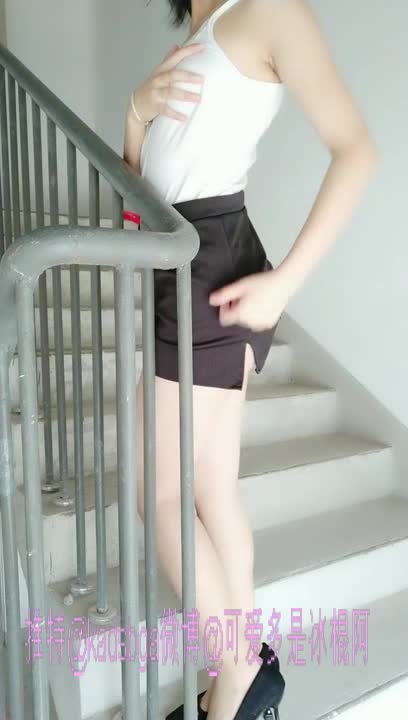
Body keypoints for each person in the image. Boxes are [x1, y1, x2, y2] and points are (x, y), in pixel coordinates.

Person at [123, 1, 378, 719]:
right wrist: (134, 117)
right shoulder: (200, 33)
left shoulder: (267, 9)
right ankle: (242, 668)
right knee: (209, 486)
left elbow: (357, 149)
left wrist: (287, 282)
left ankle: (235, 674)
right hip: (183, 255)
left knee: (159, 493)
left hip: (208, 262)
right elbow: (137, 201)